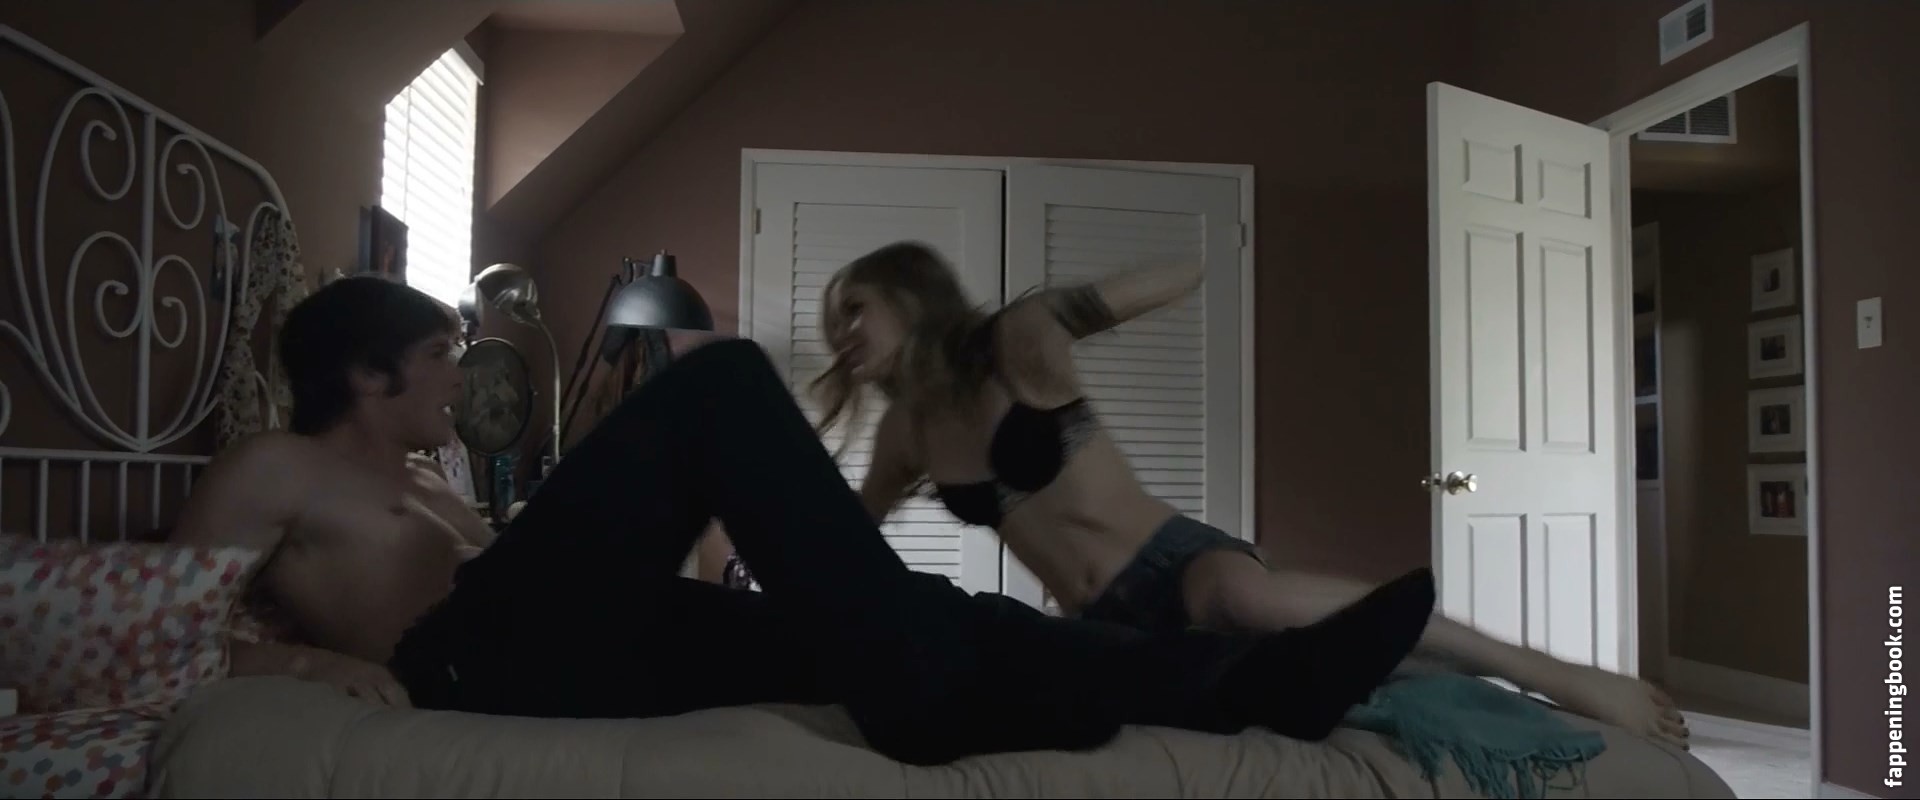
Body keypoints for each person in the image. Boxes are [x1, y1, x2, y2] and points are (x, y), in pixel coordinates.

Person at [171, 275, 1442, 767]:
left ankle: (1252, 684)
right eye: (441, 358)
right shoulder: (271, 464)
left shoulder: (438, 475)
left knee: (927, 616)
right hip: (467, 658)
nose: (463, 379)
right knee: (719, 382)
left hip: (572, 640)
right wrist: (305, 665)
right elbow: (154, 636)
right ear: (366, 373)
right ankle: (925, 697)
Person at [813, 241, 1691, 751]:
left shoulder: (1017, 347)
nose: (841, 334)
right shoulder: (906, 435)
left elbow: (1178, 274)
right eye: (831, 323)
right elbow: (844, 542)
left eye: (854, 308)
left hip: (1177, 562)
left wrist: (1065, 311)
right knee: (1330, 688)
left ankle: (1556, 676)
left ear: (909, 294)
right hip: (1108, 624)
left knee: (1242, 600)